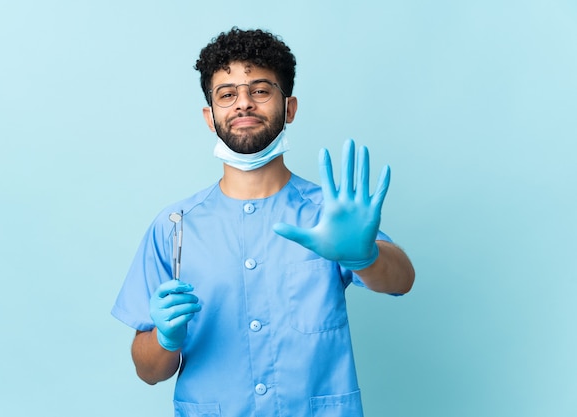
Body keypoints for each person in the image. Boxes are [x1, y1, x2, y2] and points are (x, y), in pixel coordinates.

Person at [111, 27, 415, 417]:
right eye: (227, 94)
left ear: (289, 107)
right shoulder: (174, 227)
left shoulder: (328, 213)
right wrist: (166, 338)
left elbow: (402, 280)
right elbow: (148, 371)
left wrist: (365, 256)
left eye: (260, 90)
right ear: (210, 116)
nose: (243, 104)